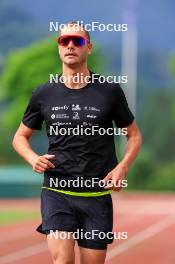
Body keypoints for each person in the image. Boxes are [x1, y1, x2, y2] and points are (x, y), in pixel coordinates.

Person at [12, 21, 142, 264]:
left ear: (88, 47)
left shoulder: (109, 91)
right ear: (59, 47)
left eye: (78, 41)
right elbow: (20, 137)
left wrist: (122, 166)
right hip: (57, 190)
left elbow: (133, 134)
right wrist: (32, 158)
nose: (70, 45)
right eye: (64, 41)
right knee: (62, 260)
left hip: (96, 193)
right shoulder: (44, 93)